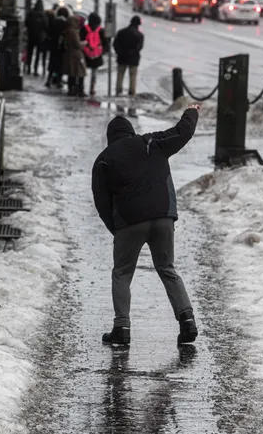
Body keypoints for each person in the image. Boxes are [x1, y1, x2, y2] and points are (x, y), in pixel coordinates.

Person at [91, 104, 201, 345]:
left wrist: (117, 230)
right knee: (167, 268)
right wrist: (191, 111)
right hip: (163, 216)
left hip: (130, 222)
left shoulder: (105, 159)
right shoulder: (151, 142)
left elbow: (102, 202)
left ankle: (121, 328)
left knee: (122, 272)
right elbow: (183, 132)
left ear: (110, 138)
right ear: (131, 132)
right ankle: (187, 322)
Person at [113, 15, 144, 97]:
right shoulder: (139, 35)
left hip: (121, 57)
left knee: (120, 74)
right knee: (133, 76)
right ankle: (132, 92)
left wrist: (119, 52)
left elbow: (115, 44)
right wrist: (132, 53)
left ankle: (118, 90)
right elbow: (139, 47)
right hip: (133, 59)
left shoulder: (121, 32)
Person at [80, 12, 109, 97]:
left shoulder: (84, 29)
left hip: (85, 53)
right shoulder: (101, 30)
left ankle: (81, 87)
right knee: (94, 72)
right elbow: (105, 43)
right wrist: (102, 52)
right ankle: (92, 88)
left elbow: (80, 40)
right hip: (97, 55)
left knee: (82, 71)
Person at [45, 6, 70, 88]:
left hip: (53, 46)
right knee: (60, 65)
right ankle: (58, 80)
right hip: (61, 47)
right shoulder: (66, 23)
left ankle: (49, 80)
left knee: (52, 64)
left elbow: (49, 32)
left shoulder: (53, 22)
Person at [62, 15, 87, 96]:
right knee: (80, 72)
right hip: (76, 55)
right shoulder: (73, 32)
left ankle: (71, 89)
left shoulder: (67, 30)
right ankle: (80, 90)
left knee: (72, 72)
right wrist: (84, 43)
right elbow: (77, 44)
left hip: (69, 54)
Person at [25, 0, 49, 76]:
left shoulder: (31, 14)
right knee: (38, 55)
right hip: (40, 38)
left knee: (30, 53)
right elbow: (46, 26)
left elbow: (27, 23)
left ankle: (28, 68)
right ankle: (35, 70)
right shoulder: (44, 15)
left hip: (31, 36)